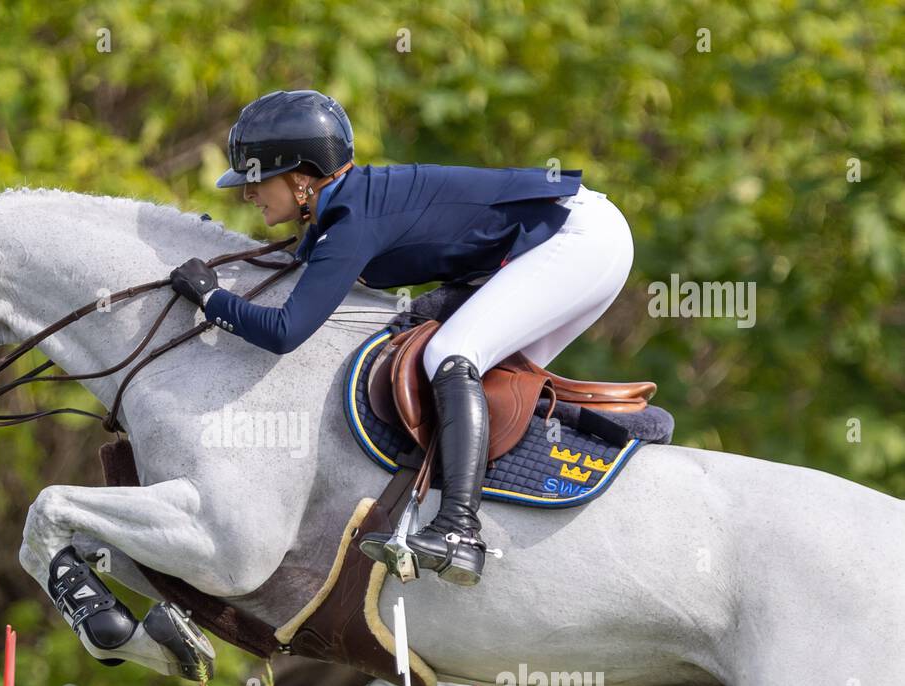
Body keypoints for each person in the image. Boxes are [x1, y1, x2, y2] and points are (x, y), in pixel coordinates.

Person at [171, 90, 634, 585]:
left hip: (579, 238)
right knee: (492, 380)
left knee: (450, 355)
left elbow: (286, 332)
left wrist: (211, 299)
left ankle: (459, 531)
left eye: (257, 179)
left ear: (302, 179)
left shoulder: (352, 221)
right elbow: (300, 270)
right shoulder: (343, 209)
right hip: (576, 237)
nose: (247, 193)